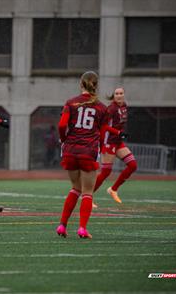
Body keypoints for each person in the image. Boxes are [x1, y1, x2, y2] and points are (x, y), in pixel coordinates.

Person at [55, 71, 123, 239]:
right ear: (96, 85)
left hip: (70, 150)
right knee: (87, 192)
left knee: (75, 189)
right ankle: (82, 229)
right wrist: (98, 148)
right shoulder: (102, 107)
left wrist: (64, 140)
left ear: (81, 84)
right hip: (88, 151)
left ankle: (62, 226)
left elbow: (62, 125)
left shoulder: (71, 103)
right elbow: (102, 133)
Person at [93, 87, 136, 205]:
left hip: (117, 142)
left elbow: (119, 124)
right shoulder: (111, 109)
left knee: (132, 165)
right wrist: (118, 133)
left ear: (124, 95)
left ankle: (113, 189)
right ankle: (88, 196)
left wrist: (121, 134)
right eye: (116, 93)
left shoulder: (124, 106)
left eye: (121, 93)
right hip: (108, 142)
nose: (119, 95)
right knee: (106, 172)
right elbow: (104, 126)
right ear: (114, 96)